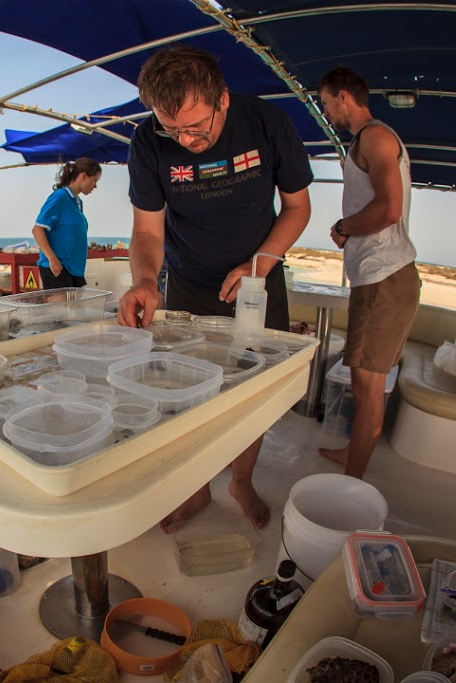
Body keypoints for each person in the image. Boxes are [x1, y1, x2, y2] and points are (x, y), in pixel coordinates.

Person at [118, 44, 313, 532]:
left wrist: (261, 262)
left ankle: (241, 481)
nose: (184, 140)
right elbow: (147, 231)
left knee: (252, 394)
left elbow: (297, 207)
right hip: (189, 282)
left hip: (259, 282)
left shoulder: (267, 123)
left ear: (222, 99)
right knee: (189, 396)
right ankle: (198, 489)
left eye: (196, 126)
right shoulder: (148, 142)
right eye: (172, 128)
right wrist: (145, 280)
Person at [316, 66, 421, 479]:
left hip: (386, 276)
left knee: (369, 383)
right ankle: (352, 454)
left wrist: (343, 228)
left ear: (344, 97)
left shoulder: (376, 136)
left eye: (326, 103)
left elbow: (388, 209)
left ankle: (352, 482)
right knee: (361, 380)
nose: (326, 112)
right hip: (376, 278)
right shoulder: (365, 140)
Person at [32, 157, 102, 289]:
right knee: (60, 310)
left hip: (74, 270)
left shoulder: (77, 202)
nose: (95, 186)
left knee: (76, 310)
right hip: (58, 268)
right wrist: (53, 259)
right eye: (94, 181)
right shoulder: (60, 197)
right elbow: (37, 229)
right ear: (83, 176)